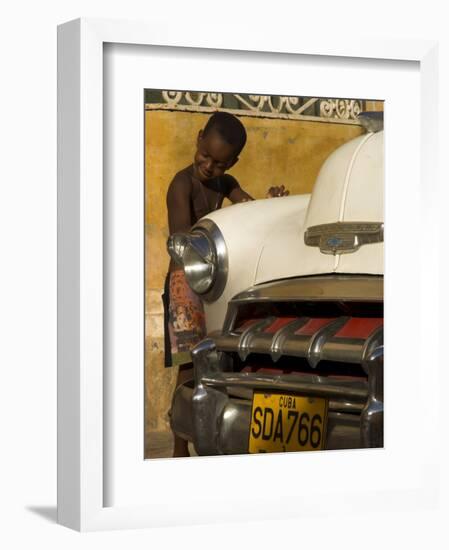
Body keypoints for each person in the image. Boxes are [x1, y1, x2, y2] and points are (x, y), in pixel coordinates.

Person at [163, 111, 288, 456]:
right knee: (188, 364)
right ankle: (178, 444)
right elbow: (182, 241)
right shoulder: (181, 184)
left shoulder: (226, 183)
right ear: (199, 138)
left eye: (219, 163)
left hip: (213, 282)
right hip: (185, 284)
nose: (209, 167)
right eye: (206, 156)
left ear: (233, 161)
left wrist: (267, 203)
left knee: (212, 357)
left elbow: (246, 208)